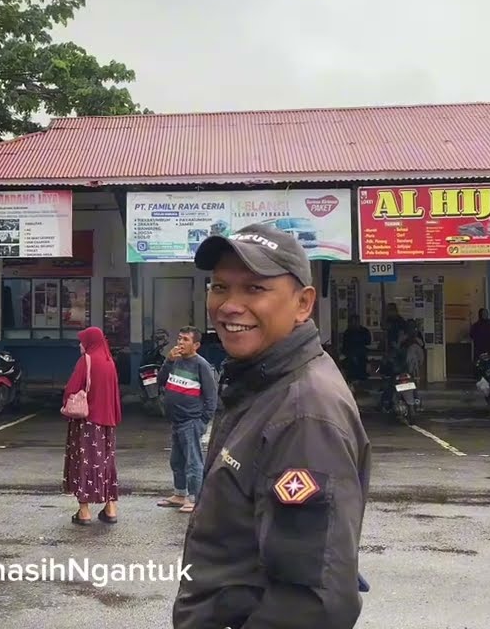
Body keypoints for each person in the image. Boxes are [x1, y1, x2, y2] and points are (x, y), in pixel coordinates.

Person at [173, 223, 371, 629]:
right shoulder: (259, 382)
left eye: (255, 289)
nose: (230, 305)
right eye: (220, 287)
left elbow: (314, 603)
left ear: (303, 304)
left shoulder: (304, 413)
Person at [61, 326, 123, 525]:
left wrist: (66, 401)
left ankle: (84, 512)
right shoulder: (109, 362)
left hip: (87, 423)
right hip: (107, 423)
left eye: (82, 341)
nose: (80, 345)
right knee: (105, 462)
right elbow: (114, 394)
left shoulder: (86, 360)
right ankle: (110, 508)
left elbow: (72, 388)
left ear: (89, 342)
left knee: (84, 462)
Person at [156, 326, 219, 514]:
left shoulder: (201, 365)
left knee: (193, 462)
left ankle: (194, 499)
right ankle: (179, 494)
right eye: (179, 339)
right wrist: (168, 361)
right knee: (176, 460)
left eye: (185, 340)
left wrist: (202, 420)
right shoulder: (175, 360)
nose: (180, 343)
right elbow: (160, 380)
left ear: (196, 345)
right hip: (176, 420)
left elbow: (211, 397)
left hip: (191, 421)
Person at [340, 315, 371, 389]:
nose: (354, 324)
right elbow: (345, 345)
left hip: (361, 354)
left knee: (360, 367)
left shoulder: (364, 331)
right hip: (350, 354)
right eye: (353, 322)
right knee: (351, 368)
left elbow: (368, 342)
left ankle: (360, 383)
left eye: (355, 322)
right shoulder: (348, 332)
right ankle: (354, 382)